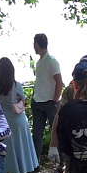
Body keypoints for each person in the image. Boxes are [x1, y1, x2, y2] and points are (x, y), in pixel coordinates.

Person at [0, 57, 39, 173]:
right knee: (19, 147)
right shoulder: (16, 85)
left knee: (3, 149)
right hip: (17, 120)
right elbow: (22, 100)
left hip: (0, 119)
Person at [31, 33, 63, 161]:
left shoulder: (51, 61)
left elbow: (59, 82)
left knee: (57, 131)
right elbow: (39, 80)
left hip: (50, 102)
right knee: (37, 134)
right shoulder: (40, 62)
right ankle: (35, 161)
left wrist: (55, 100)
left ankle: (62, 160)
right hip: (38, 101)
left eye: (34, 44)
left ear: (37, 45)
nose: (34, 47)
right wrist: (34, 95)